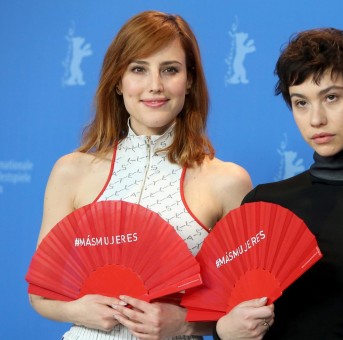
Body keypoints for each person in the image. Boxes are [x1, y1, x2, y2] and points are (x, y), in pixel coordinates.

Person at [29, 11, 273, 339]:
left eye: (170, 70)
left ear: (189, 80)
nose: (155, 86)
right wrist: (76, 309)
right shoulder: (71, 171)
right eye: (138, 69)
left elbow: (250, 309)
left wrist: (182, 322)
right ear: (118, 81)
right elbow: (40, 293)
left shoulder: (226, 181)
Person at [214, 28, 343, 339]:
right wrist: (225, 330)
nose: (315, 119)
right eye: (301, 102)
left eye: (330, 97)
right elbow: (228, 318)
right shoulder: (263, 203)